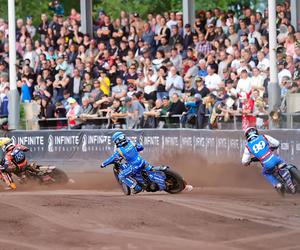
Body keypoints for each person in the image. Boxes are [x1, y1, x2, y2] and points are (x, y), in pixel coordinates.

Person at [241, 127, 284, 192]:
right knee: (282, 162)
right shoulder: (264, 136)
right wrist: (273, 147)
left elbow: (244, 161)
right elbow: (277, 143)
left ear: (247, 136)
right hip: (275, 159)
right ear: (256, 132)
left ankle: (277, 184)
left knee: (265, 173)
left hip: (267, 164)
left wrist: (248, 162)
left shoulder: (248, 146)